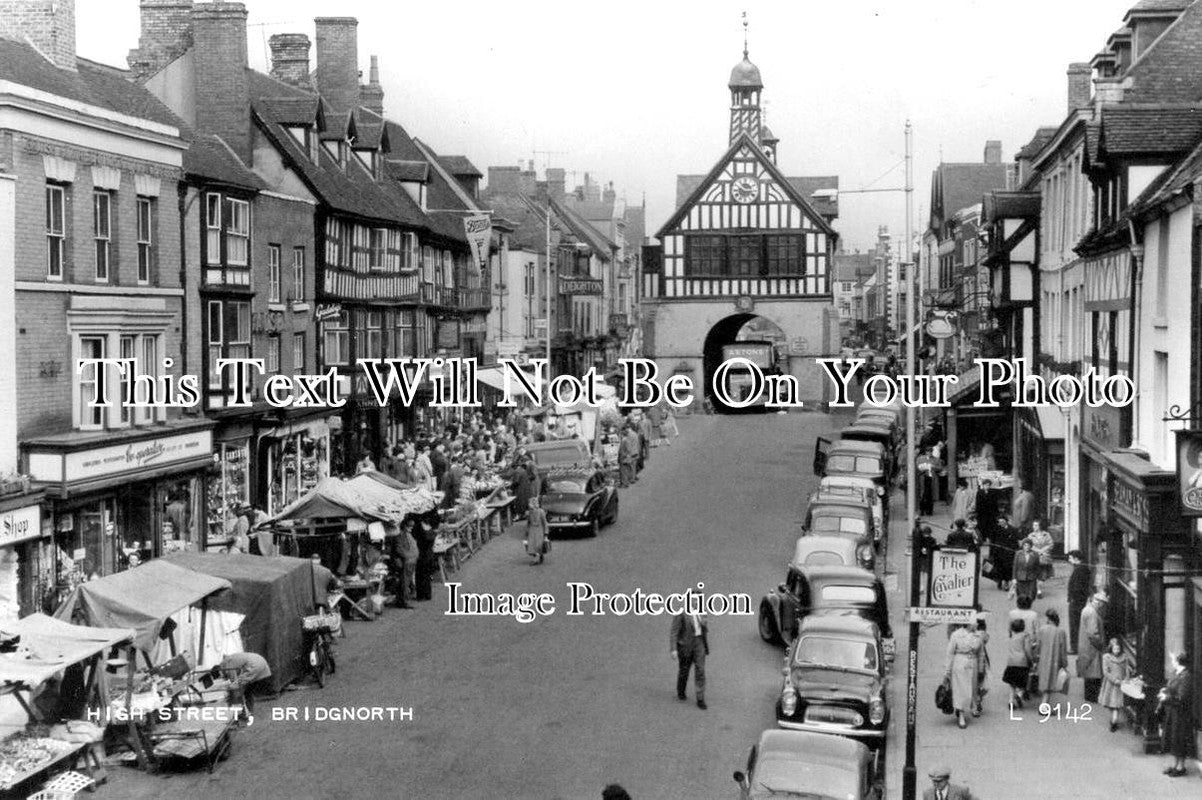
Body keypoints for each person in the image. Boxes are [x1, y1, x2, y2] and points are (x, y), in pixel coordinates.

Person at [1159, 651, 1196, 777]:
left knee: (1180, 739)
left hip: (1181, 714)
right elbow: (1172, 688)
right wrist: (1165, 691)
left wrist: (1166, 697)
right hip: (1174, 712)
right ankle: (1175, 765)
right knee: (1174, 739)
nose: (1172, 662)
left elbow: (1182, 697)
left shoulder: (1186, 676)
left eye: (1173, 660)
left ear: (1179, 662)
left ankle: (1181, 767)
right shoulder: (1177, 673)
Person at [670, 606, 709, 710]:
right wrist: (673, 649)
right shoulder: (681, 612)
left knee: (700, 669)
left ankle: (700, 698)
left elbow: (704, 623)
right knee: (684, 670)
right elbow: (674, 631)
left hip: (699, 642)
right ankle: (681, 690)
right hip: (685, 645)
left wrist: (703, 623)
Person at [944, 623, 982, 729]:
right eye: (974, 622)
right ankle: (961, 715)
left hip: (973, 663)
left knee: (972, 689)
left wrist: (981, 668)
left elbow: (980, 652)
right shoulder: (956, 634)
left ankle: (970, 706)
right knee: (961, 689)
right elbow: (950, 653)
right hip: (960, 663)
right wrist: (947, 671)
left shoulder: (978, 635)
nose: (976, 624)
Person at [1077, 592, 1108, 703]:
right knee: (1093, 673)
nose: (1103, 607)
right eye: (1103, 605)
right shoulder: (1092, 613)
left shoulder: (1087, 609)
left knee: (1089, 672)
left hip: (1086, 646)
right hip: (1092, 648)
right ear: (1099, 603)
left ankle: (1089, 695)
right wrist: (1101, 644)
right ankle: (1092, 697)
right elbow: (1093, 633)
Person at [1034, 608, 1068, 706]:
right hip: (1055, 661)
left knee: (1045, 682)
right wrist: (1064, 663)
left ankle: (1044, 705)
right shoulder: (1061, 632)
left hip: (1043, 660)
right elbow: (1063, 649)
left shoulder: (1042, 630)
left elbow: (1037, 646)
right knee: (1050, 684)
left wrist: (1035, 659)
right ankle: (1044, 706)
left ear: (1048, 619)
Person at [1100, 637, 1134, 732]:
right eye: (1115, 649)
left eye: (1118, 649)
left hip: (1121, 684)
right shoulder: (1106, 657)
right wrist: (1115, 680)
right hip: (1111, 684)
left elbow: (1126, 669)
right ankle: (1113, 719)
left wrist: (1126, 679)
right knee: (1113, 703)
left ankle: (1114, 721)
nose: (1116, 651)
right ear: (1111, 648)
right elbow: (1106, 672)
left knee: (1117, 704)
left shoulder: (1124, 657)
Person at [1003, 618, 1036, 709]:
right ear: (1023, 627)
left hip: (1011, 662)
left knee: (1012, 683)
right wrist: (1031, 660)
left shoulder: (1012, 637)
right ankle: (1019, 694)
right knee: (1022, 682)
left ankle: (1010, 701)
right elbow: (1027, 649)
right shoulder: (1025, 636)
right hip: (1022, 662)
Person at [1065, 550, 1091, 655]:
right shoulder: (1082, 568)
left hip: (1076, 602)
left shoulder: (1079, 570)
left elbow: (1077, 587)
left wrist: (1072, 598)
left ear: (1076, 559)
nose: (1069, 560)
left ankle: (1074, 647)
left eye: (1070, 558)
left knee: (1074, 625)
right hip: (1079, 601)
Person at [990, 514, 1017, 592]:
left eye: (1002, 521)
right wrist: (991, 553)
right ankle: (999, 580)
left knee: (1008, 568)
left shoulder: (1013, 529)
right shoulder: (996, 529)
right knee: (999, 567)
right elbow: (992, 542)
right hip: (998, 552)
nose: (1001, 523)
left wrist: (1014, 550)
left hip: (1008, 552)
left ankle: (1006, 582)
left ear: (1006, 521)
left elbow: (1015, 541)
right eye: (999, 522)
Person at [1011, 538, 1039, 605]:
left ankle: (1028, 606)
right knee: (1021, 595)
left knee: (1031, 594)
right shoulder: (1018, 554)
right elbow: (1015, 566)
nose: (1027, 547)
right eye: (1025, 545)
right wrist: (1014, 578)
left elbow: (1037, 567)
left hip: (1031, 578)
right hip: (1020, 578)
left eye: (1028, 545)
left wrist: (1037, 578)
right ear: (1022, 546)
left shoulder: (1035, 554)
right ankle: (1022, 607)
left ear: (1031, 546)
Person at [1027, 520, 1054, 590]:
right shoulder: (1030, 535)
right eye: (1033, 525)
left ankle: (1039, 587)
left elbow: (1050, 544)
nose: (1034, 527)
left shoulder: (1046, 534)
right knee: (1034, 572)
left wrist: (1043, 550)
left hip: (1044, 556)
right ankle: (1037, 589)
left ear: (1040, 526)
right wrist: (1038, 551)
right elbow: (1029, 545)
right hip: (1034, 556)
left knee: (1043, 574)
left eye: (1036, 525)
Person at [523, 496, 549, 565]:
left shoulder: (541, 512)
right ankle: (538, 556)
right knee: (531, 545)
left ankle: (536, 559)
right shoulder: (529, 513)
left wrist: (546, 533)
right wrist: (526, 532)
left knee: (538, 545)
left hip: (539, 530)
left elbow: (545, 523)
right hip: (532, 530)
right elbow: (528, 522)